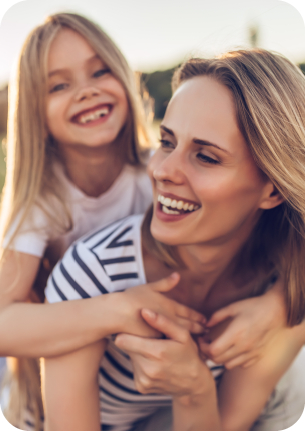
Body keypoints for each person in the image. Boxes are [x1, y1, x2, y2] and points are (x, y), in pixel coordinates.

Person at [43, 49, 305, 431]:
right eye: (167, 142)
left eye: (206, 157)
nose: (163, 170)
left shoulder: (283, 287)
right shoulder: (92, 275)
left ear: (272, 191)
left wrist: (193, 389)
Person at [0, 12, 207, 430]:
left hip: (150, 376)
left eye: (100, 71)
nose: (87, 91)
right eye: (59, 85)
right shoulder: (43, 202)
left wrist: (277, 310)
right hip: (72, 383)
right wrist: (116, 310)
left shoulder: (159, 172)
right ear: (34, 114)